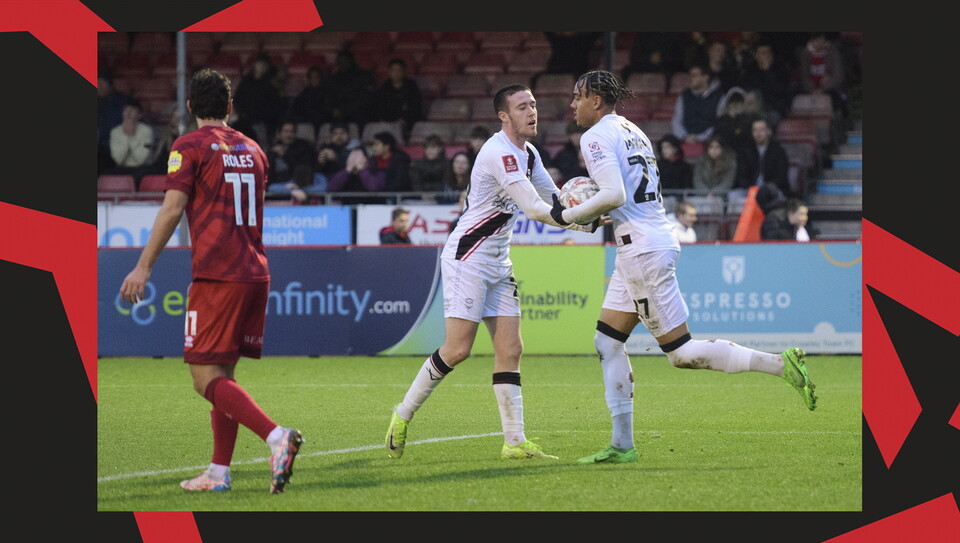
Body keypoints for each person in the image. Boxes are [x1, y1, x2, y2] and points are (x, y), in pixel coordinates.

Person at [553, 69, 817, 464]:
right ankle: (622, 446)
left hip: (642, 250)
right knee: (607, 342)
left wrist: (569, 216)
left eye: (577, 96)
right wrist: (600, 213)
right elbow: (625, 197)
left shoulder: (594, 136)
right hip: (642, 244)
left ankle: (780, 365)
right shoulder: (632, 130)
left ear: (595, 99)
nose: (572, 104)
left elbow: (612, 192)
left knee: (680, 352)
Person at [384, 84, 600, 461]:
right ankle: (401, 415)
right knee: (457, 350)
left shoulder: (529, 154)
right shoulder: (499, 153)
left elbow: (557, 203)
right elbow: (536, 210)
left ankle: (514, 442)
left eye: (533, 104)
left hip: (498, 261)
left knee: (511, 349)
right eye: (522, 107)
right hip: (467, 257)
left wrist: (592, 219)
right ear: (504, 116)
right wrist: (581, 217)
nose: (532, 111)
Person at [118, 68, 303, 493]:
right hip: (255, 271)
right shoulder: (254, 149)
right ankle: (218, 473)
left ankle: (278, 438)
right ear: (229, 107)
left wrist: (143, 266)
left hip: (218, 274)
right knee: (224, 376)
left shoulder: (189, 146)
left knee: (205, 379)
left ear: (189, 108)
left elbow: (172, 208)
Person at [231, 54, 284, 147]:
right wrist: (241, 114)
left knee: (260, 147)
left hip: (261, 123)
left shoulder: (271, 84)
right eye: (260, 64)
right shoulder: (246, 80)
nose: (261, 67)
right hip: (243, 120)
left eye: (264, 65)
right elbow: (237, 99)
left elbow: (275, 106)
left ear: (268, 67)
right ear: (255, 65)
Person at [266, 120, 325, 203]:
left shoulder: (304, 147)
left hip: (302, 186)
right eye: (286, 131)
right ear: (279, 134)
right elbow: (268, 178)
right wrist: (272, 155)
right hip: (280, 189)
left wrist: (285, 156)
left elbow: (303, 169)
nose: (289, 135)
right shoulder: (273, 150)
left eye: (292, 131)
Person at [734, 115, 793, 198]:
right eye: (755, 130)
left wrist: (765, 189)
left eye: (762, 129)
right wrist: (751, 188)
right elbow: (741, 177)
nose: (758, 133)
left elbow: (780, 177)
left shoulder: (779, 151)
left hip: (772, 190)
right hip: (750, 190)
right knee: (733, 195)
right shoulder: (746, 151)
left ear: (769, 131)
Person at [738, 42, 793, 127]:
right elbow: (747, 91)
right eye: (763, 53)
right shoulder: (750, 71)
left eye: (768, 52)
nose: (766, 55)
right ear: (756, 56)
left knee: (765, 119)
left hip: (774, 109)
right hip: (754, 109)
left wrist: (767, 71)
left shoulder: (781, 70)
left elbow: (780, 91)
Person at [671, 63, 727, 144]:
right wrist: (684, 136)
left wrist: (701, 137)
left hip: (711, 142)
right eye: (690, 75)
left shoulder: (720, 97)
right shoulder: (684, 95)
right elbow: (676, 120)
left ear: (705, 77)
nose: (690, 78)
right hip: (685, 140)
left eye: (694, 75)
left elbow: (720, 122)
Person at [327, 49, 379, 130]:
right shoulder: (334, 78)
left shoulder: (364, 75)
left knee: (361, 115)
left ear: (352, 61)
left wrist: (347, 110)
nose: (343, 63)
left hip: (359, 112)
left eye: (345, 61)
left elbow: (368, 98)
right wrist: (334, 109)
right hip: (340, 114)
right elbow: (329, 97)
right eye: (340, 61)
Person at [108, 98, 155, 187]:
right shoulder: (115, 132)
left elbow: (140, 159)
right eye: (126, 110)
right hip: (122, 168)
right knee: (107, 174)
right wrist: (127, 136)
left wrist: (131, 136)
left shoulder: (146, 131)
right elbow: (118, 160)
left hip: (141, 168)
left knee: (141, 174)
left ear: (139, 115)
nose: (128, 113)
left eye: (132, 110)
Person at [376, 58, 425, 140]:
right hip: (389, 123)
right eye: (393, 70)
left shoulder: (411, 86)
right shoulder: (384, 88)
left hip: (409, 122)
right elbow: (380, 108)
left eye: (399, 70)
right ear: (389, 72)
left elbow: (415, 107)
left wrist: (405, 120)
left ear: (404, 71)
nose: (396, 73)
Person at [711, 86, 755, 152]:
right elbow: (717, 137)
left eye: (739, 102)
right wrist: (731, 117)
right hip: (725, 153)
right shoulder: (720, 120)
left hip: (745, 153)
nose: (735, 105)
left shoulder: (750, 120)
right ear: (728, 104)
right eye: (732, 102)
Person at [289, 65, 331, 133]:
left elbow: (326, 113)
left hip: (321, 126)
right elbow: (295, 110)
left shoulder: (327, 93)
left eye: (316, 77)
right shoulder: (305, 93)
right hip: (306, 125)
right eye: (311, 77)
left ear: (321, 78)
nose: (314, 79)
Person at [410, 134, 450, 200]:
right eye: (427, 147)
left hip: (442, 197)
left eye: (433, 147)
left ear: (440, 149)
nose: (429, 150)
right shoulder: (417, 165)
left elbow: (447, 182)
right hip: (420, 198)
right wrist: (421, 194)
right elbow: (415, 183)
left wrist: (436, 194)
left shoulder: (447, 164)